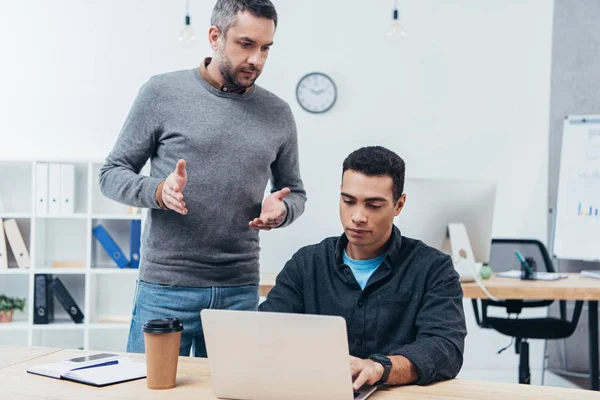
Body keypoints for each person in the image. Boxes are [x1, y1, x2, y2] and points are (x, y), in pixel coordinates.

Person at [99, 0, 306, 357]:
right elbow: (111, 174)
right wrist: (158, 191)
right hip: (165, 289)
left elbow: (296, 192)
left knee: (234, 393)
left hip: (239, 291)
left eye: (265, 48)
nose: (257, 59)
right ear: (215, 36)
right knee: (149, 392)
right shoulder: (161, 93)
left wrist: (282, 209)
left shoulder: (278, 113)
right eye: (246, 44)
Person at [259, 146, 466, 389]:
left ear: (399, 205)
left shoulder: (433, 269)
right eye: (349, 201)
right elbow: (266, 331)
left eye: (373, 205)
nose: (357, 216)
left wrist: (380, 368)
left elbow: (444, 348)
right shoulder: (307, 264)